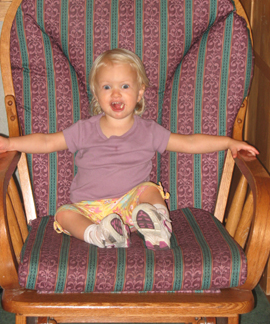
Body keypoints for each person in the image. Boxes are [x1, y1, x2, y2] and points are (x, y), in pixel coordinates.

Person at [0, 48, 259, 250]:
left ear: (140, 92)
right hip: (88, 209)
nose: (116, 93)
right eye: (106, 87)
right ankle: (101, 236)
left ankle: (158, 226)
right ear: (96, 94)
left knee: (148, 189)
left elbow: (189, 142)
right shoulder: (83, 130)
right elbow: (46, 142)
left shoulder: (149, 131)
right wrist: (10, 144)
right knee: (64, 214)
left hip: (131, 207)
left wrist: (228, 142)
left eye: (124, 86)